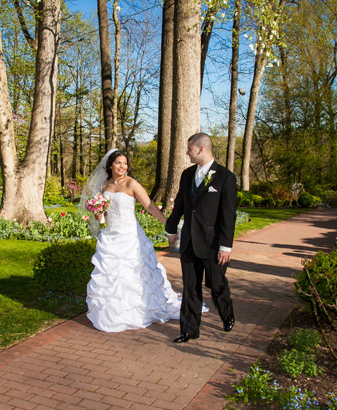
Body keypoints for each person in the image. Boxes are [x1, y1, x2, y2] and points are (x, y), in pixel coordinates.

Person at [81, 149, 181, 332]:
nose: (122, 166)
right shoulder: (104, 186)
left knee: (134, 275)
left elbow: (150, 206)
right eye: (118, 162)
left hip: (130, 237)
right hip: (110, 237)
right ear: (111, 164)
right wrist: (98, 214)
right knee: (110, 277)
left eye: (125, 163)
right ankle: (110, 314)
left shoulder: (131, 184)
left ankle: (138, 310)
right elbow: (102, 215)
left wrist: (168, 225)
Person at [165, 132, 237, 343]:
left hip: (213, 245)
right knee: (190, 287)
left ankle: (227, 313)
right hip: (189, 242)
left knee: (216, 284)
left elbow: (228, 216)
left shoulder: (225, 178)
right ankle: (189, 330)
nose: (187, 153)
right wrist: (171, 228)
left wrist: (225, 246)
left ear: (201, 149)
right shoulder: (187, 175)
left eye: (189, 149)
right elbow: (180, 203)